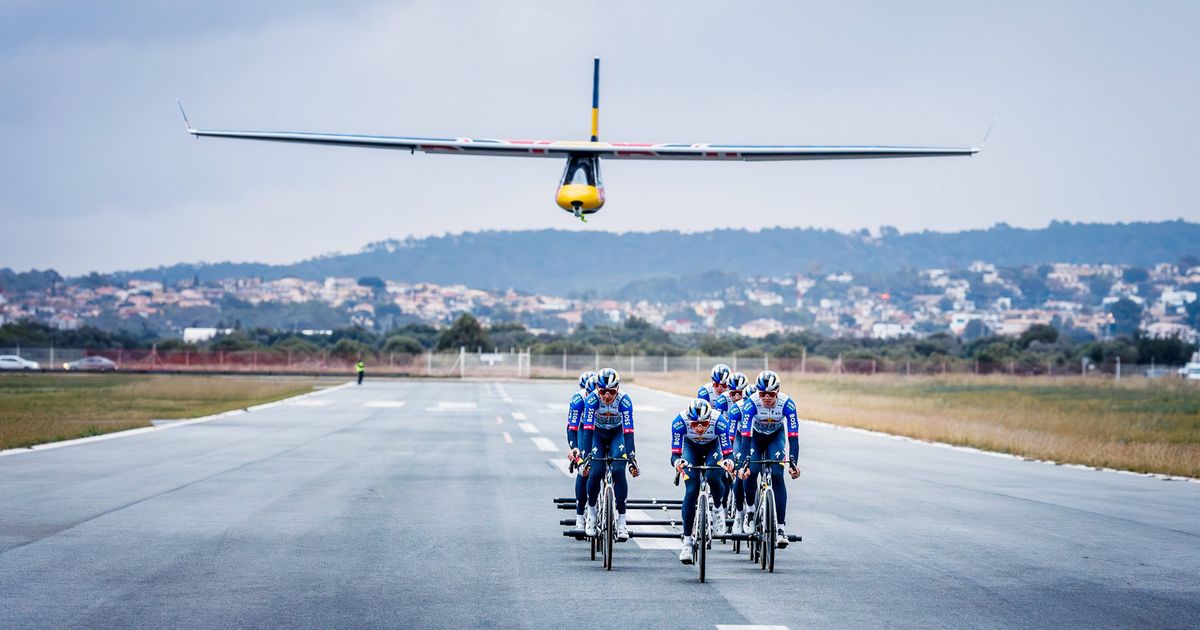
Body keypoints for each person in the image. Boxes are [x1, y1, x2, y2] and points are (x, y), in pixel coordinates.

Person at [736, 370, 800, 548]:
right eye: (762, 393)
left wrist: (793, 462)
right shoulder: (751, 404)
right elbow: (746, 435)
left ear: (778, 391)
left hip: (775, 437)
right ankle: (750, 511)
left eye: (770, 394)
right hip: (754, 438)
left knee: (778, 475)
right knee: (751, 472)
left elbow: (793, 436)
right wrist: (744, 463)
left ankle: (780, 528)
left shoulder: (788, 404)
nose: (766, 398)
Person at [578, 367, 640, 541]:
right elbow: (587, 431)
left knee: (619, 471)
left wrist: (632, 458)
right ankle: (591, 513)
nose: (606, 396)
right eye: (603, 391)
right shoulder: (591, 400)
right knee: (595, 471)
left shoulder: (624, 401)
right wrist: (585, 457)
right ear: (597, 388)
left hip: (617, 434)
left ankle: (621, 521)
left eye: (611, 391)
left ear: (618, 389)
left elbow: (628, 432)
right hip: (596, 434)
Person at [670, 398, 733, 563]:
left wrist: (729, 462)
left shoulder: (720, 421)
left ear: (709, 420)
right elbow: (675, 454)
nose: (699, 428)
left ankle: (718, 510)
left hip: (713, 447)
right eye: (695, 424)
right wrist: (677, 462)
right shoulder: (679, 422)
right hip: (691, 449)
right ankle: (687, 542)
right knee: (691, 490)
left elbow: (728, 452)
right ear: (688, 420)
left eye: (704, 424)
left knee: (714, 475)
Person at [566, 371, 597, 529]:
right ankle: (580, 517)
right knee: (583, 469)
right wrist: (574, 448)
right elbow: (572, 428)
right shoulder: (578, 399)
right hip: (580, 430)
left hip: (598, 430)